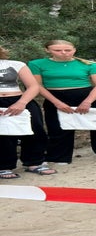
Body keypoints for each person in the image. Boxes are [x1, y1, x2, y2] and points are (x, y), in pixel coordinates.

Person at [28, 40, 96, 164]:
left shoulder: (89, 64)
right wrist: (56, 102)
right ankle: (59, 156)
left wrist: (88, 101)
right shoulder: (36, 64)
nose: (63, 53)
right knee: (57, 126)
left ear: (74, 50)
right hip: (55, 96)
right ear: (48, 50)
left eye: (68, 50)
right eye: (57, 50)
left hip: (88, 96)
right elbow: (37, 85)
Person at [0, 45, 56, 178]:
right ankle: (4, 166)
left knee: (35, 130)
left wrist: (21, 102)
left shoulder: (16, 64)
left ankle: (34, 162)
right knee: (3, 135)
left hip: (20, 99)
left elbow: (33, 86)